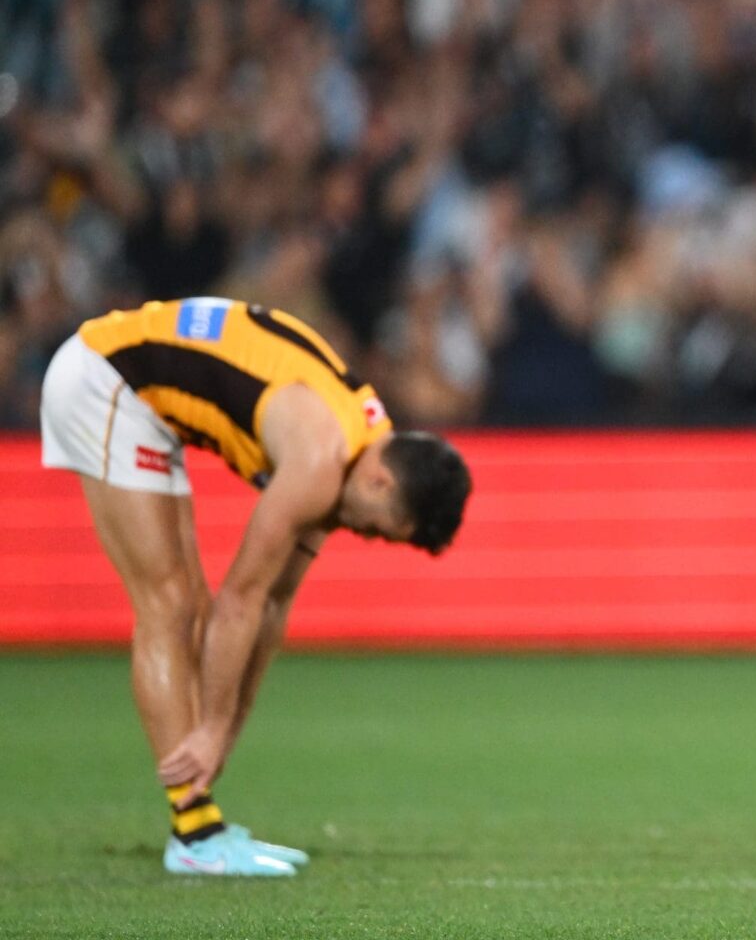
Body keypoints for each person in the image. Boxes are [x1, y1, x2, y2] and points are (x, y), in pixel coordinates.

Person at [40, 297, 472, 876]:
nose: (364, 537)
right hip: (103, 380)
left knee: (187, 605)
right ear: (379, 481)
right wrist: (212, 728)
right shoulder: (321, 462)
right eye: (379, 531)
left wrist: (224, 735)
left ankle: (199, 822)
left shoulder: (361, 449)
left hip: (144, 397)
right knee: (169, 604)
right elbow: (241, 598)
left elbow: (272, 606)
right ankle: (194, 835)